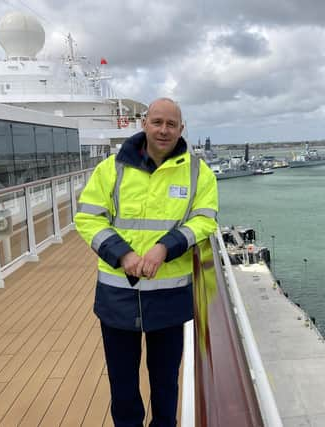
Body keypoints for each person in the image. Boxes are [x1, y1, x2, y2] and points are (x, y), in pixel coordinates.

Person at [75, 98, 218, 427]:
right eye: (157, 122)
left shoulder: (199, 172)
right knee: (123, 387)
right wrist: (122, 254)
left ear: (181, 129)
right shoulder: (111, 169)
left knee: (165, 385)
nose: (164, 130)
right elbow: (88, 219)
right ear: (144, 124)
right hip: (117, 296)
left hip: (169, 298)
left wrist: (164, 248)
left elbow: (205, 220)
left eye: (171, 124)